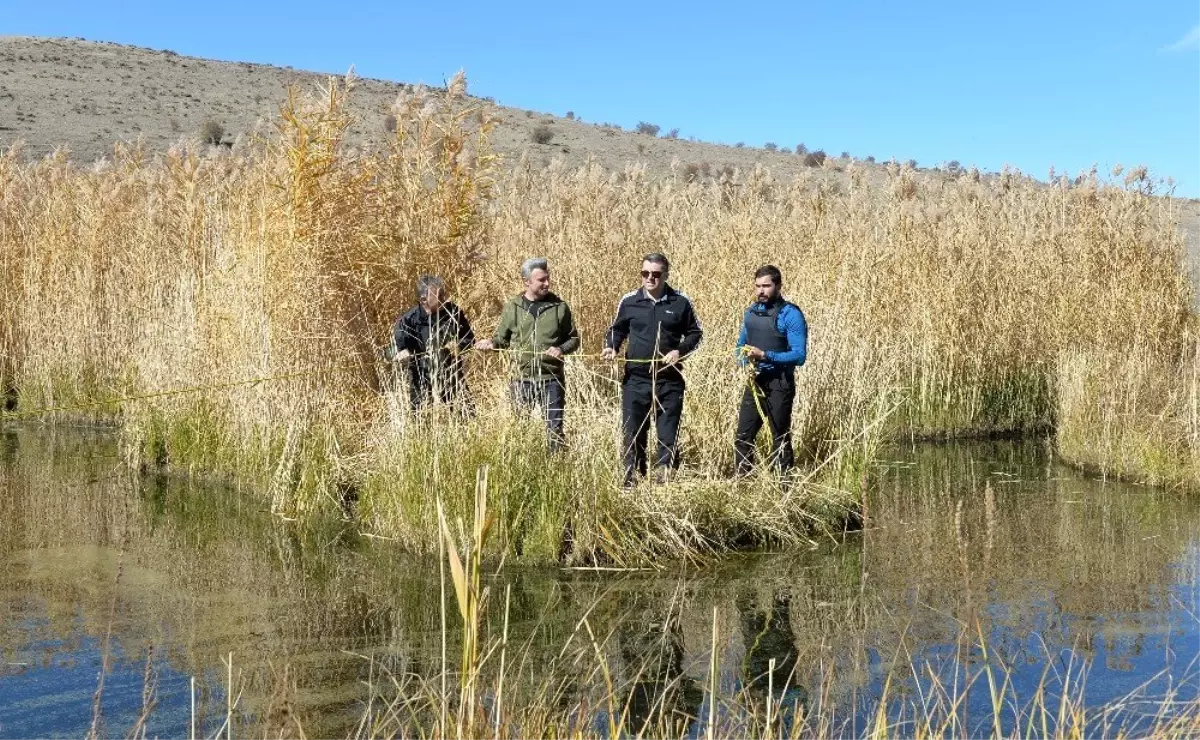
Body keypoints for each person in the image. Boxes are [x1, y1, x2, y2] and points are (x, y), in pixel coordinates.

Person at [602, 253, 703, 488]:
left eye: (656, 274)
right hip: (635, 379)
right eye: (645, 273)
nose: (650, 278)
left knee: (668, 434)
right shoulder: (629, 301)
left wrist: (680, 351)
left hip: (669, 380)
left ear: (665, 275)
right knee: (633, 431)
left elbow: (695, 333)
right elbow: (617, 330)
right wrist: (612, 347)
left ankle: (664, 481)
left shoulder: (680, 302)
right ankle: (632, 478)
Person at [475, 257, 580, 451]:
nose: (547, 283)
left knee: (554, 431)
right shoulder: (513, 307)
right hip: (521, 379)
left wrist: (561, 349)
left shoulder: (560, 307)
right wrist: (491, 343)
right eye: (541, 280)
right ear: (527, 282)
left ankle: (555, 470)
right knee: (519, 431)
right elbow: (502, 339)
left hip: (552, 379)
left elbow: (574, 339)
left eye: (547, 278)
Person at [734, 265, 807, 476]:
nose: (761, 291)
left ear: (778, 286)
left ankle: (784, 485)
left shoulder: (790, 315)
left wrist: (765, 355)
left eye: (766, 286)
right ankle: (744, 482)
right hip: (756, 380)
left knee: (780, 436)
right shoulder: (751, 313)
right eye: (757, 286)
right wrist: (745, 363)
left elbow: (799, 356)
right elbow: (740, 346)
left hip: (780, 383)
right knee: (743, 436)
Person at [391, 275, 475, 412]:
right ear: (423, 299)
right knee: (420, 417)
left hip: (450, 373)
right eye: (439, 295)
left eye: (443, 294)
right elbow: (391, 351)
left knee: (467, 413)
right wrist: (401, 352)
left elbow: (469, 339)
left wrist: (459, 346)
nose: (444, 298)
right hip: (422, 376)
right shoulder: (408, 320)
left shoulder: (453, 312)